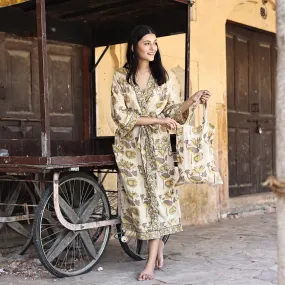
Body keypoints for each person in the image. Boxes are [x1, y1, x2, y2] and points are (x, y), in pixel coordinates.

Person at [111, 25, 211, 281]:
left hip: (158, 150)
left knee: (159, 199)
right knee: (139, 202)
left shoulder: (164, 78)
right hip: (130, 150)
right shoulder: (120, 77)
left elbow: (174, 112)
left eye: (155, 42)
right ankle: (158, 245)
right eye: (147, 42)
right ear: (134, 47)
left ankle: (149, 264)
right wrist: (156, 121)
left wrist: (193, 100)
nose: (153, 47)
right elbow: (120, 116)